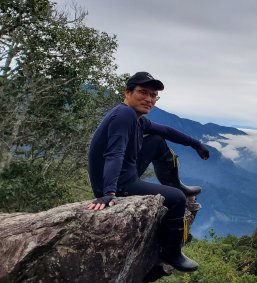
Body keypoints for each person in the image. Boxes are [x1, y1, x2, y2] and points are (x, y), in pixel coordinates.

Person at [86, 71, 210, 272]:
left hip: (125, 173)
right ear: (127, 92)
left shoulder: (137, 118)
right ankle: (171, 253)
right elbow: (114, 154)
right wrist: (108, 192)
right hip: (119, 184)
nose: (148, 99)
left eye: (153, 95)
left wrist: (196, 144)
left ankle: (174, 183)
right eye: (143, 92)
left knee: (156, 140)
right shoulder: (124, 115)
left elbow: (167, 132)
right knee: (177, 199)